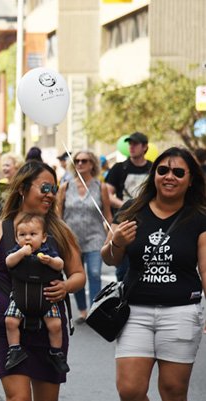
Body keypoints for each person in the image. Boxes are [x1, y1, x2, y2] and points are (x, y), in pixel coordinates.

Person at [0, 161, 85, 400]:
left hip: (49, 330)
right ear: (22, 188)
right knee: (19, 398)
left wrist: (66, 286)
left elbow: (78, 275)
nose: (50, 195)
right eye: (45, 188)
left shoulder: (62, 232)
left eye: (54, 189)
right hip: (8, 327)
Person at [100, 147, 206, 401]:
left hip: (181, 312)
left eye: (179, 172)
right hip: (134, 312)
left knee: (172, 392)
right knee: (130, 390)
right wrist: (117, 242)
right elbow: (110, 257)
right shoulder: (131, 210)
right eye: (163, 170)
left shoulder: (200, 217)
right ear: (154, 174)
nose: (170, 176)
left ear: (191, 180)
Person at [3, 213, 68, 374]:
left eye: (33, 234)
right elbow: (8, 262)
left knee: (55, 325)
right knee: (10, 321)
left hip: (45, 297)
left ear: (43, 237)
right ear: (17, 239)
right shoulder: (17, 251)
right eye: (22, 235)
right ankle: (15, 349)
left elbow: (60, 265)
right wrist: (20, 253)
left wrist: (50, 261)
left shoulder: (47, 251)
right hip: (20, 297)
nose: (27, 239)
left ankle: (56, 352)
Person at [56, 151, 112, 322]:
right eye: (77, 161)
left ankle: (94, 309)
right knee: (76, 275)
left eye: (85, 161)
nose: (80, 164)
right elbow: (58, 214)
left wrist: (111, 235)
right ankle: (82, 311)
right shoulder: (65, 186)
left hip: (95, 237)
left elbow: (108, 215)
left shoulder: (100, 186)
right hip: (72, 239)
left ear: (92, 164)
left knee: (94, 273)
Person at [105, 132, 152, 281]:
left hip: (149, 221)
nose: (131, 147)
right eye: (130, 143)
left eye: (135, 144)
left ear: (145, 147)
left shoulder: (153, 168)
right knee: (123, 270)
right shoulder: (119, 168)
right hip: (124, 221)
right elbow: (108, 194)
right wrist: (128, 206)